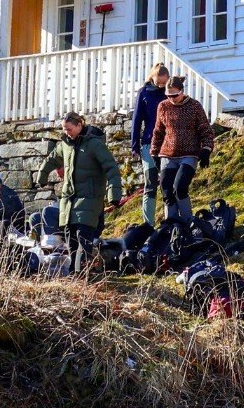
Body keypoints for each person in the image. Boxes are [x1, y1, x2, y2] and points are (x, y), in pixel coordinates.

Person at [38, 114, 124, 272]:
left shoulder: (95, 145)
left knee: (83, 240)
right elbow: (51, 159)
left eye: (69, 129)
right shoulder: (65, 144)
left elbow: (111, 168)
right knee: (71, 242)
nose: (67, 132)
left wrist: (114, 195)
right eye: (64, 129)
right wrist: (42, 176)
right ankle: (74, 276)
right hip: (69, 202)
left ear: (79, 125)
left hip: (90, 200)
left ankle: (81, 275)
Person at [150, 76, 215, 221]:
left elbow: (205, 130)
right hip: (167, 154)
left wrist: (206, 150)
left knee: (179, 188)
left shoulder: (194, 106)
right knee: (166, 190)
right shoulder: (163, 106)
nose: (171, 98)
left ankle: (187, 222)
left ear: (182, 91)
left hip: (189, 154)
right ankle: (172, 223)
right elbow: (158, 131)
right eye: (168, 95)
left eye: (174, 95)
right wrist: (154, 152)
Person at [131, 63, 169, 228]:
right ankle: (148, 224)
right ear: (152, 78)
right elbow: (137, 120)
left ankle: (171, 221)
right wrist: (135, 146)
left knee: (168, 183)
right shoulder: (144, 93)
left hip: (169, 144)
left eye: (164, 82)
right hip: (149, 143)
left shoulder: (170, 93)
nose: (161, 85)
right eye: (159, 82)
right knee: (151, 183)